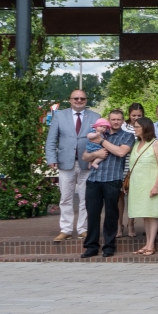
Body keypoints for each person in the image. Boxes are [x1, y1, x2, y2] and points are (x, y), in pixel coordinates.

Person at [80, 108, 134, 259]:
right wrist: (96, 154)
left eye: (118, 119)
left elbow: (121, 152)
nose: (116, 122)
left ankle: (109, 246)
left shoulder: (127, 136)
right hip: (94, 179)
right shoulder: (99, 133)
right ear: (108, 121)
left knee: (111, 214)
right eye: (113, 119)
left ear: (123, 121)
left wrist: (102, 142)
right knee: (92, 214)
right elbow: (85, 156)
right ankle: (91, 246)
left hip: (112, 179)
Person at [45, 88, 98, 242]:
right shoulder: (60, 116)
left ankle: (83, 229)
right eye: (76, 98)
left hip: (87, 164)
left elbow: (100, 139)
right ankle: (66, 229)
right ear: (70, 100)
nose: (79, 101)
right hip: (65, 162)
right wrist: (51, 158)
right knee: (65, 198)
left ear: (86, 100)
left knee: (85, 198)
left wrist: (94, 158)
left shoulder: (95, 117)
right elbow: (51, 139)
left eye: (82, 98)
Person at [119, 117, 158, 256]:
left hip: (151, 183)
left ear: (145, 127)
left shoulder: (155, 143)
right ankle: (147, 243)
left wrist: (156, 185)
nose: (135, 128)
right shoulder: (136, 143)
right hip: (137, 185)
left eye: (137, 126)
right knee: (145, 214)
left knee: (152, 214)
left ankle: (151, 245)